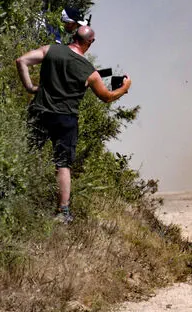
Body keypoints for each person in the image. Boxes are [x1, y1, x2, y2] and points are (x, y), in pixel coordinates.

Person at [16, 25, 131, 222]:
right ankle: (63, 212)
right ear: (90, 42)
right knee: (62, 164)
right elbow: (106, 96)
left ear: (73, 36)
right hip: (65, 119)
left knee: (27, 152)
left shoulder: (50, 49)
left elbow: (22, 60)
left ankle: (13, 194)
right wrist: (124, 88)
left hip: (40, 111)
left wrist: (30, 87)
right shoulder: (89, 71)